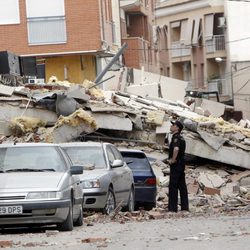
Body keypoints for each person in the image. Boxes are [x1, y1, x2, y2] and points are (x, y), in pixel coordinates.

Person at [168, 120, 189, 212]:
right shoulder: (182, 138)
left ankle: (172, 208)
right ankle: (185, 207)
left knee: (173, 186)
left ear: (177, 128)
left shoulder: (176, 138)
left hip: (176, 164)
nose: (171, 126)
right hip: (181, 164)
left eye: (173, 125)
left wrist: (173, 159)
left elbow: (176, 149)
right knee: (182, 186)